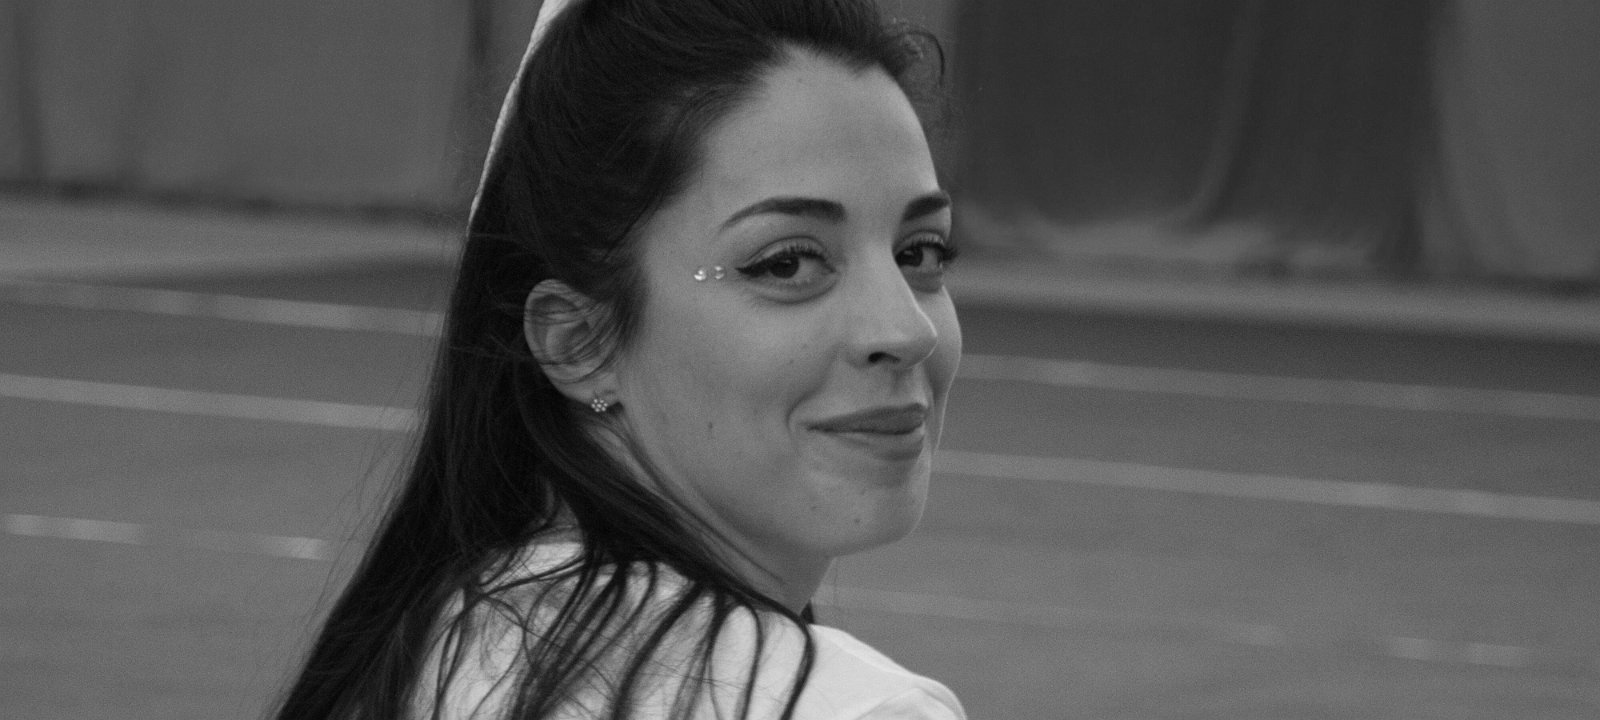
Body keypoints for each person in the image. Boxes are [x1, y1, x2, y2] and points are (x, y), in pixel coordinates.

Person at [274, 0, 964, 717]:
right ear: (580, 342)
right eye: (787, 263)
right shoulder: (851, 708)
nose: (906, 330)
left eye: (921, 253)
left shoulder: (433, 642)